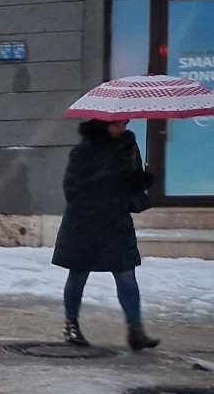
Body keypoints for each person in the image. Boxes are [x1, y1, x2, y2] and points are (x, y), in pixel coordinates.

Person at [53, 119, 158, 350]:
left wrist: (143, 179)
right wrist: (104, 181)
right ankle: (71, 326)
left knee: (126, 276)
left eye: (124, 123)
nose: (122, 128)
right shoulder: (82, 152)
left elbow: (131, 185)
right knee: (78, 273)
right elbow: (71, 187)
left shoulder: (128, 147)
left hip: (116, 222)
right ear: (103, 125)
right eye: (117, 124)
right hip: (85, 223)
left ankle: (136, 331)